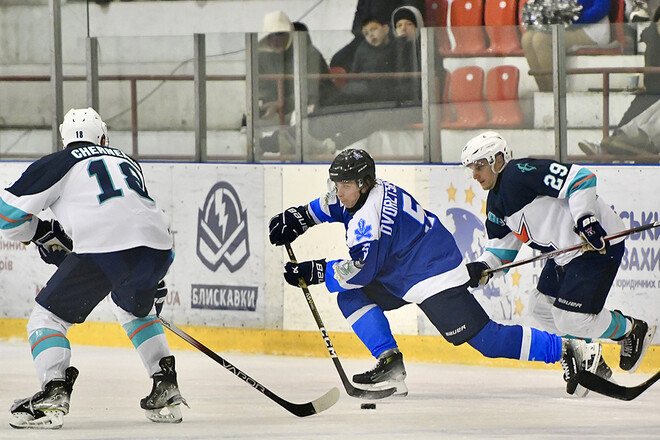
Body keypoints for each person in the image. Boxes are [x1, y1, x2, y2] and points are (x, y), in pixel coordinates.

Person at [268, 148, 604, 398]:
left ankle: (569, 349)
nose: (339, 190)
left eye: (344, 184)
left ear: (363, 183)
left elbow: (359, 271)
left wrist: (316, 271)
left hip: (432, 272)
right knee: (350, 297)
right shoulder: (365, 190)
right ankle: (390, 366)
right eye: (336, 183)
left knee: (485, 340)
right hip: (406, 265)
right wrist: (298, 218)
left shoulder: (368, 221)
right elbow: (331, 204)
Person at [0, 108, 187, 429]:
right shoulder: (125, 160)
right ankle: (164, 382)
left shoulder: (59, 161)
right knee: (136, 312)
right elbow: (129, 211)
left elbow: (6, 216)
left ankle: (54, 391)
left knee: (46, 318)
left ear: (65, 139)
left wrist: (39, 233)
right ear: (102, 136)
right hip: (158, 248)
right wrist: (151, 279)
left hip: (106, 246)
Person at [461, 131, 656, 386]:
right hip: (567, 255)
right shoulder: (496, 203)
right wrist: (484, 267)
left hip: (597, 246)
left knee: (569, 318)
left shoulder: (521, 172)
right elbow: (502, 252)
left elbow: (581, 178)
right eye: (471, 168)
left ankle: (632, 330)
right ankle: (590, 356)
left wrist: (586, 219)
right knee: (540, 307)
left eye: (479, 165)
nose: (474, 174)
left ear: (498, 160)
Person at [579, 6, 660, 156]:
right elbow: (652, 77)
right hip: (654, 92)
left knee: (651, 101)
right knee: (644, 100)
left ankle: (637, 139)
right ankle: (614, 141)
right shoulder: (653, 39)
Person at [256, 10, 337, 153]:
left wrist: (281, 104)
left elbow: (311, 92)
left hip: (318, 108)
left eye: (280, 34)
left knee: (297, 123)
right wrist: (262, 101)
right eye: (271, 35)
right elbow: (263, 85)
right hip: (284, 108)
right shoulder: (263, 57)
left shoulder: (309, 53)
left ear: (290, 35)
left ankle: (269, 144)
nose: (276, 39)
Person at [521, 0, 612, 92]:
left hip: (591, 31)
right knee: (527, 39)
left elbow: (602, 8)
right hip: (567, 27)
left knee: (541, 40)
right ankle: (544, 89)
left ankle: (557, 91)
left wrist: (573, 20)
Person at [330, 0, 425, 73]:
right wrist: (364, 32)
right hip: (364, 37)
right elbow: (358, 17)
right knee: (339, 60)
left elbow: (409, 13)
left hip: (390, 38)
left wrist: (385, 31)